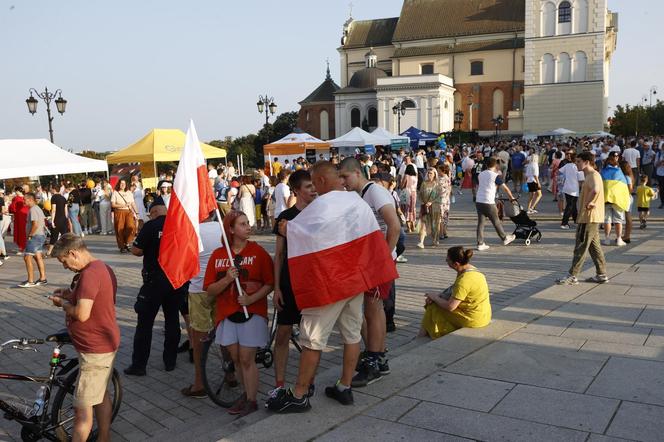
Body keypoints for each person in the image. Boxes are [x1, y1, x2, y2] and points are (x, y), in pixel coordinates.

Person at [266, 162, 366, 412]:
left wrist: (288, 229)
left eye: (313, 181)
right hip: (354, 279)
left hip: (329, 282)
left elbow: (311, 236)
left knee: (313, 338)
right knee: (352, 334)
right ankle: (345, 385)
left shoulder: (323, 205)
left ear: (321, 181)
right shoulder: (354, 201)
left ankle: (299, 394)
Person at [48, 234, 120, 442]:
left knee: (82, 412)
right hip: (102, 343)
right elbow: (98, 300)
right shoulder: (103, 268)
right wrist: (69, 294)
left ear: (73, 253)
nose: (65, 267)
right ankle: (104, 437)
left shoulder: (89, 274)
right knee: (100, 394)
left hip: (95, 350)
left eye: (64, 261)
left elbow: (82, 314)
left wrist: (63, 304)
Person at [204, 211, 274, 417]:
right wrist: (226, 280)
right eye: (243, 224)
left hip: (251, 312)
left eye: (248, 223)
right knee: (235, 359)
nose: (248, 227)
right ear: (231, 230)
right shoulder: (218, 255)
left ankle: (252, 400)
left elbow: (269, 283)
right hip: (226, 313)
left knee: (246, 359)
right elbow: (209, 289)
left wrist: (252, 299)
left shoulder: (258, 252)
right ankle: (246, 394)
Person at [338, 158, 400, 388]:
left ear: (357, 172)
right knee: (375, 310)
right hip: (372, 262)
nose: (343, 182)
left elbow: (394, 226)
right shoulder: (363, 194)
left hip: (377, 263)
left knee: (373, 311)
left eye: (345, 177)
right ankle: (378, 358)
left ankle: (374, 360)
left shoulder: (375, 192)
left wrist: (382, 258)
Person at [124, 197, 188, 376]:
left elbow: (136, 250)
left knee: (145, 324)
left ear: (153, 212)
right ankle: (170, 361)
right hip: (175, 281)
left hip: (154, 281)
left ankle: (139, 365)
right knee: (172, 320)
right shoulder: (180, 225)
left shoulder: (151, 226)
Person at [269, 170, 316, 399]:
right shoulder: (285, 216)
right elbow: (278, 255)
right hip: (289, 283)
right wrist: (276, 287)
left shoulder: (320, 213)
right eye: (308, 186)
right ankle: (279, 383)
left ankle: (308, 381)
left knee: (311, 336)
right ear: (296, 191)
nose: (313, 190)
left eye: (314, 185)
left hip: (312, 282)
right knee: (283, 334)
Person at [180, 215, 221, 398]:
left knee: (199, 339)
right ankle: (230, 374)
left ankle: (199, 383)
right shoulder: (222, 226)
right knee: (225, 332)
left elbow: (183, 263)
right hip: (222, 286)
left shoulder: (191, 231)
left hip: (198, 289)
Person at [557, 151, 608, 285]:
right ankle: (601, 274)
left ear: (586, 162)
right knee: (594, 247)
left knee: (580, 246)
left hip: (588, 217)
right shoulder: (591, 175)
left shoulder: (592, 175)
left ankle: (572, 275)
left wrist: (589, 202)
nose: (576, 164)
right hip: (592, 217)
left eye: (579, 161)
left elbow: (596, 190)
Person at [419, 246, 491, 339]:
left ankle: (421, 336)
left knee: (433, 306)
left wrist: (435, 297)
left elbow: (450, 307)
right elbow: (455, 293)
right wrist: (439, 296)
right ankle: (424, 333)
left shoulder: (464, 280)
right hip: (484, 315)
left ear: (456, 264)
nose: (446, 261)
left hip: (474, 320)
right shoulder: (472, 270)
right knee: (436, 301)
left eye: (448, 260)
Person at [474, 158, 517, 251]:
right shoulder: (495, 176)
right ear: (495, 165)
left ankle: (480, 243)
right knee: (496, 221)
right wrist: (512, 198)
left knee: (481, 223)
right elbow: (505, 188)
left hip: (479, 200)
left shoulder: (481, 174)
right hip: (489, 201)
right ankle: (504, 238)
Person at [18, 193, 48, 288]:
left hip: (35, 236)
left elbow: (35, 224)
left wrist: (30, 235)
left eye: (25, 200)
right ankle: (43, 278)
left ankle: (30, 281)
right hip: (40, 235)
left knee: (27, 257)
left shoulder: (33, 209)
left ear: (30, 200)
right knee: (37, 257)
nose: (23, 201)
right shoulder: (37, 208)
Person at [601, 151, 628, 247]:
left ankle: (607, 238)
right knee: (618, 220)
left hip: (606, 198)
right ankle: (619, 239)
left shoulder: (603, 171)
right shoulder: (620, 171)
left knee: (607, 220)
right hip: (618, 199)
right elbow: (626, 184)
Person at [416, 167, 441, 248]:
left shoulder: (437, 184)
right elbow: (419, 194)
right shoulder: (424, 183)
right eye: (428, 173)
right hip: (425, 207)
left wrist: (431, 202)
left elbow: (439, 196)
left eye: (431, 173)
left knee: (434, 224)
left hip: (435, 207)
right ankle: (421, 242)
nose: (429, 175)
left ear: (434, 175)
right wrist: (423, 201)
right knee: (423, 223)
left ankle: (435, 240)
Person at [110, 179, 137, 253]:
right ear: (119, 184)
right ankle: (122, 246)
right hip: (119, 212)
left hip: (128, 212)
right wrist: (123, 205)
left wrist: (137, 213)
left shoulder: (129, 192)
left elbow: (133, 203)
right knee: (120, 229)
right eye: (121, 183)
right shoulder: (115, 193)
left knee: (131, 227)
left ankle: (127, 242)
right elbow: (113, 204)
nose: (123, 185)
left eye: (124, 183)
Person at [559, 151, 582, 229]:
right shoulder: (578, 167)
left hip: (567, 187)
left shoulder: (567, 165)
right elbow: (581, 179)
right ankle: (564, 223)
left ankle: (576, 220)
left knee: (572, 205)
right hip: (574, 189)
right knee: (570, 206)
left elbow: (560, 171)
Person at [46, 184, 69, 258]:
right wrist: (66, 219)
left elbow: (53, 210)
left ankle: (49, 252)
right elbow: (66, 210)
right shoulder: (63, 198)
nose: (51, 190)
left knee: (54, 236)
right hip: (64, 219)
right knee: (64, 236)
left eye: (51, 189)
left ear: (54, 189)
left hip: (57, 219)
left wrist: (52, 220)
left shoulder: (54, 197)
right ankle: (67, 251)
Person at [9, 186, 29, 253]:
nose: (15, 192)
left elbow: (12, 208)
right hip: (25, 215)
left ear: (18, 191)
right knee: (25, 231)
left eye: (16, 191)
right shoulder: (25, 197)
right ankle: (24, 246)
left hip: (19, 216)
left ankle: (21, 247)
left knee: (20, 232)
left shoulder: (16, 198)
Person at [619, 161, 634, 244]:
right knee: (627, 216)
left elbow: (630, 189)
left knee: (627, 216)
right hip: (626, 197)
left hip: (626, 197)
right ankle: (626, 235)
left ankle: (627, 235)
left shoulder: (626, 177)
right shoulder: (628, 176)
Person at [400, 164, 418, 233]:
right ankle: (413, 226)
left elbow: (402, 186)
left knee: (406, 209)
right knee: (412, 209)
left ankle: (409, 228)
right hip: (414, 193)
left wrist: (400, 186)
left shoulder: (406, 176)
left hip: (407, 193)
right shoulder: (415, 177)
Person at [437, 163, 452, 240]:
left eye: (439, 170)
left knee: (440, 217)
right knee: (445, 217)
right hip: (446, 200)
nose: (437, 172)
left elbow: (439, 190)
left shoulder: (440, 179)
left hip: (441, 200)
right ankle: (445, 232)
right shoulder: (448, 178)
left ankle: (441, 233)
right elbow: (449, 189)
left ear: (443, 171)